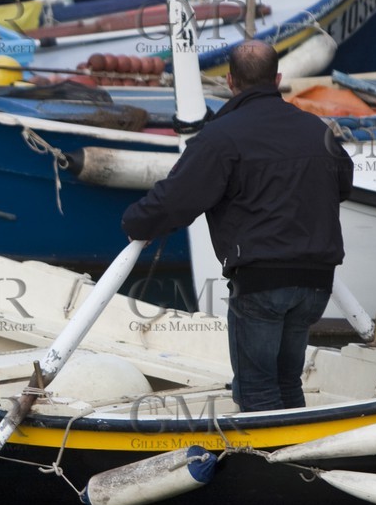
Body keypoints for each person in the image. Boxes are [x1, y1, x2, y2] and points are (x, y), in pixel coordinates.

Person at [121, 39, 353, 412]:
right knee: (287, 383)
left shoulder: (221, 136)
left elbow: (176, 199)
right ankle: (299, 444)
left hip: (261, 280)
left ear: (230, 81)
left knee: (256, 390)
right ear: (277, 79)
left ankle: (276, 449)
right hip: (316, 280)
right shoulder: (316, 129)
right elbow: (343, 185)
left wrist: (136, 222)